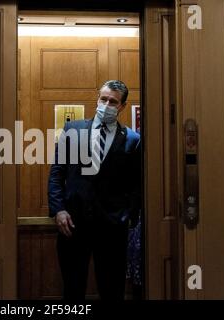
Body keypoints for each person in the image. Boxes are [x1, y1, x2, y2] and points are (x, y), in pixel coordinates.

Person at [48, 80, 141, 300]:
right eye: (104, 99)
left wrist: (130, 216)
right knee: (73, 288)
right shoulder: (73, 129)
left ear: (122, 106)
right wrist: (58, 210)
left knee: (112, 290)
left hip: (112, 227)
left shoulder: (132, 139)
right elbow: (57, 173)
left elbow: (135, 184)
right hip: (73, 223)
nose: (106, 105)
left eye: (113, 101)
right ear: (98, 98)